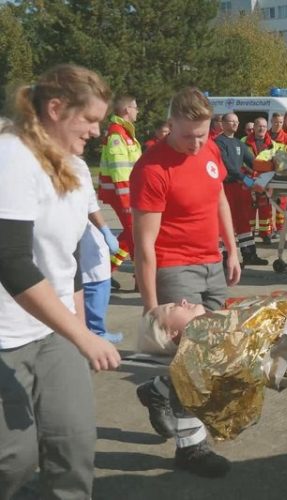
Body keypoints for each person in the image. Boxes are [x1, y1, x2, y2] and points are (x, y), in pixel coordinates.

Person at [0, 64, 121, 499]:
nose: (96, 131)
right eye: (89, 120)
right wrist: (84, 336)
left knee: (73, 446)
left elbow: (65, 257)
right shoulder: (11, 155)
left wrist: (75, 330)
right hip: (5, 334)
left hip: (54, 330)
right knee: (13, 459)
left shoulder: (74, 167)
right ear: (55, 108)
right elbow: (11, 260)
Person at [131, 87, 240, 478]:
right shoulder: (151, 168)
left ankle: (159, 391)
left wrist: (233, 248)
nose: (196, 144)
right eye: (188, 135)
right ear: (171, 121)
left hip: (212, 261)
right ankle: (191, 448)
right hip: (175, 269)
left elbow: (220, 199)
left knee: (218, 350)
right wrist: (150, 308)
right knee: (193, 358)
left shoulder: (210, 149)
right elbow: (144, 246)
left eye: (203, 133)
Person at [77, 157, 125, 344]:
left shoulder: (77, 164)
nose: (94, 132)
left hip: (86, 229)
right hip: (66, 234)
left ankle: (95, 330)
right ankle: (89, 332)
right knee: (90, 281)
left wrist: (105, 230)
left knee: (98, 275)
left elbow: (89, 201)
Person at [214, 112, 268, 266]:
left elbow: (253, 162)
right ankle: (225, 257)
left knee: (244, 220)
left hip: (239, 187)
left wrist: (270, 169)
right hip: (225, 187)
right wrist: (245, 179)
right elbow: (227, 166)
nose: (235, 124)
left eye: (237, 122)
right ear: (223, 124)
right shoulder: (219, 142)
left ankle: (249, 254)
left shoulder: (239, 143)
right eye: (231, 121)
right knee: (226, 222)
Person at [98, 94, 141, 274]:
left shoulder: (124, 132)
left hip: (128, 193)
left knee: (130, 233)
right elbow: (120, 170)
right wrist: (126, 202)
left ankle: (107, 270)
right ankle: (141, 278)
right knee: (135, 235)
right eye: (135, 107)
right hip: (123, 194)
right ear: (126, 110)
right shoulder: (117, 133)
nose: (138, 111)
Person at [244, 117, 279, 244]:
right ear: (254, 127)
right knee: (249, 208)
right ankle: (249, 233)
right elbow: (240, 162)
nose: (261, 128)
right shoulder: (244, 141)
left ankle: (266, 234)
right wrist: (248, 177)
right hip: (248, 178)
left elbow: (276, 163)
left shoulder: (272, 144)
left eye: (264, 126)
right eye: (259, 126)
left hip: (266, 180)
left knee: (265, 208)